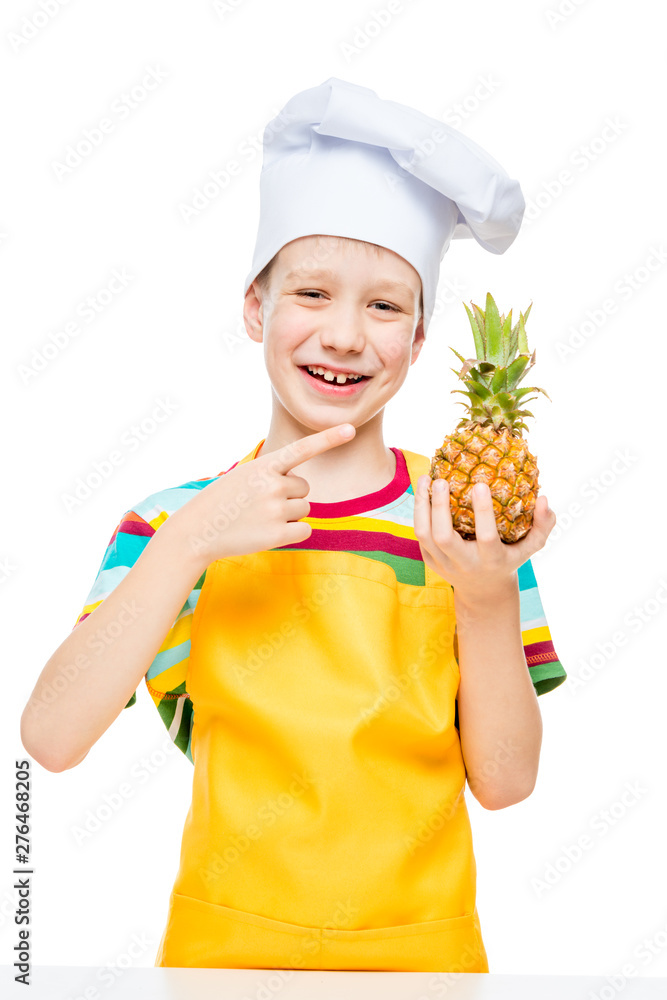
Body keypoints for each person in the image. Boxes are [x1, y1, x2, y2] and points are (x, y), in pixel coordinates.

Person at [21, 77, 566, 973]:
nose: (345, 335)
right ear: (254, 309)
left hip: (421, 960)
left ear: (420, 341)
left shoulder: (464, 523)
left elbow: (504, 783)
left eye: (385, 305)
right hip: (222, 957)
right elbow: (51, 736)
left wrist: (484, 594)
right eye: (311, 293)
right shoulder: (172, 520)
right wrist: (190, 542)